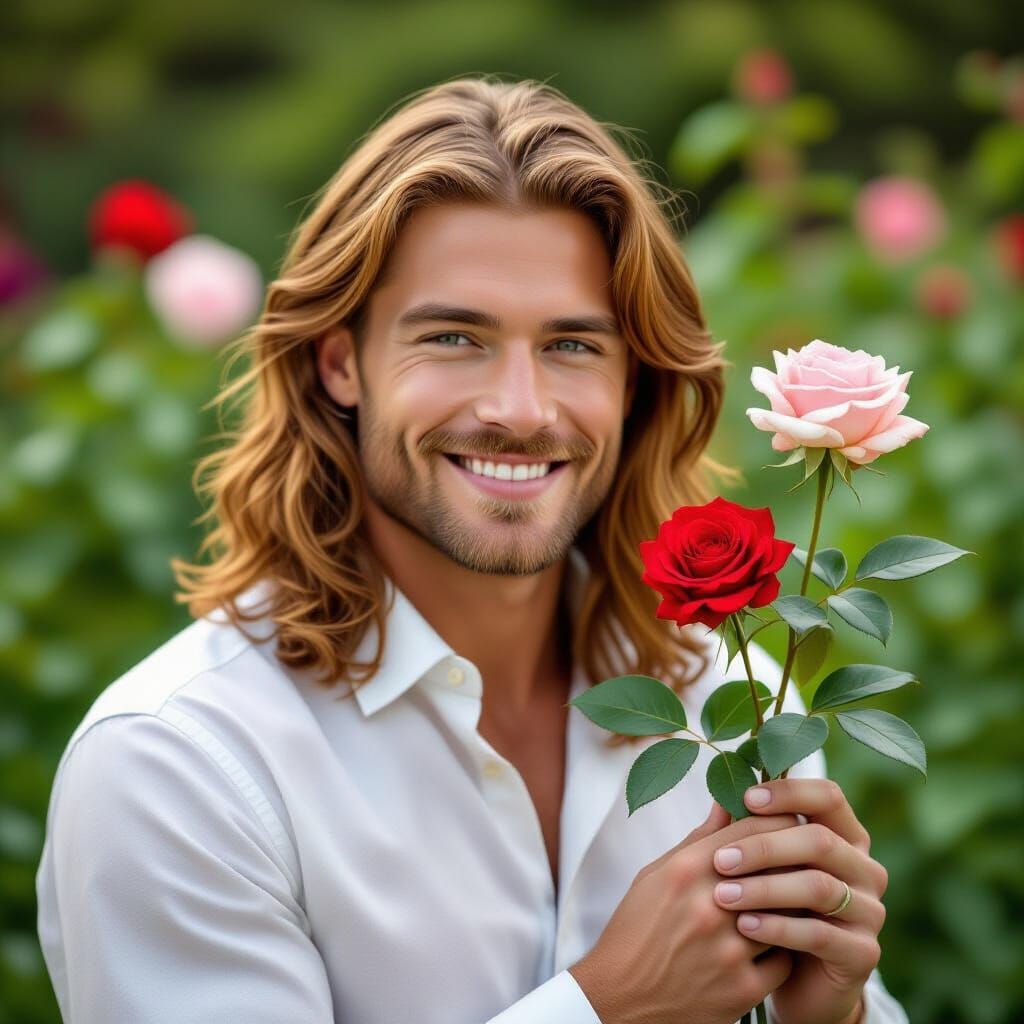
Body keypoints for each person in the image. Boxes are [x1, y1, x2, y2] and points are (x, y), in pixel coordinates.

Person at [36, 75, 910, 1024]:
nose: (521, 411)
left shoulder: (731, 694)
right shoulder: (180, 764)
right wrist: (606, 1009)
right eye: (454, 337)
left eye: (574, 346)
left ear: (634, 384)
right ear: (340, 362)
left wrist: (834, 1015)